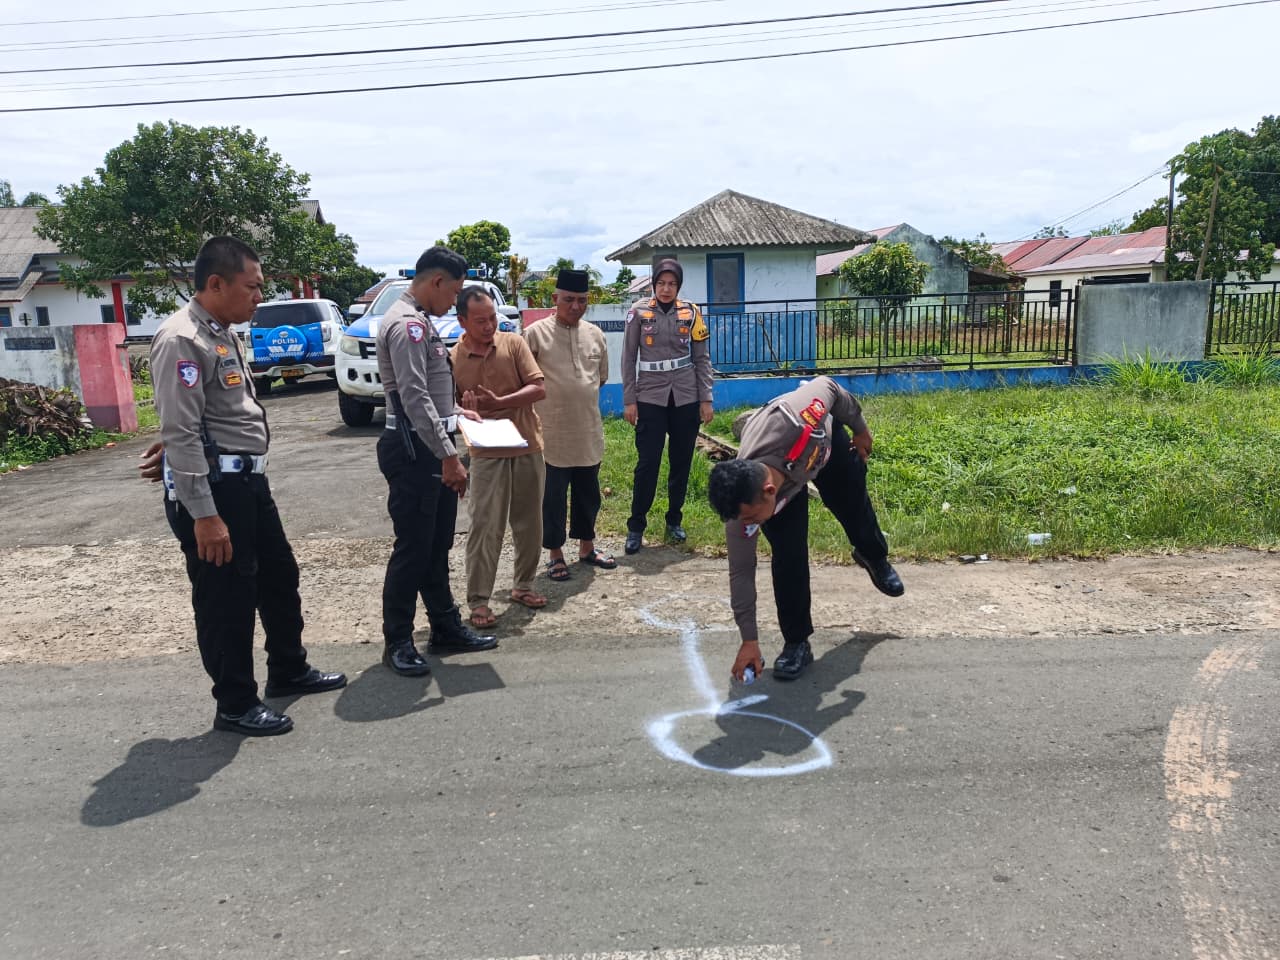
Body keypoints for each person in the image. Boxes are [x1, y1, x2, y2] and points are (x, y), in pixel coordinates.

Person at [150, 236, 346, 737]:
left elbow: (196, 416)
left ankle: (288, 668)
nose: (260, 296)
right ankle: (235, 702)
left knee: (279, 577)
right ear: (216, 284)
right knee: (226, 599)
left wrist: (175, 445)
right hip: (217, 493)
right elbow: (181, 429)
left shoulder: (221, 331)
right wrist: (204, 514)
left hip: (247, 484)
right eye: (252, 287)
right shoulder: (183, 339)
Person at [706, 375, 905, 683]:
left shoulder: (798, 418)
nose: (748, 525)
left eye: (750, 518)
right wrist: (749, 640)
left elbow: (830, 387)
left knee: (852, 504)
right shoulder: (743, 508)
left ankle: (874, 556)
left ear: (770, 492)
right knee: (788, 557)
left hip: (821, 447)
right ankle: (797, 642)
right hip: (785, 480)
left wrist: (861, 428)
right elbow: (741, 574)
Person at [376, 246, 496, 677]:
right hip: (416, 452)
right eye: (454, 292)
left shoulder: (419, 320)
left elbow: (432, 394)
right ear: (436, 282)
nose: (454, 302)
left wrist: (459, 414)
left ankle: (444, 627)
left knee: (435, 545)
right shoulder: (407, 324)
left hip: (429, 444)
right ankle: (399, 641)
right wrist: (449, 457)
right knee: (413, 548)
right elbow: (412, 398)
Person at [450, 286, 547, 628]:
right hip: (485, 452)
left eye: (492, 318)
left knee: (529, 523)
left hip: (526, 446)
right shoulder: (452, 357)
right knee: (484, 526)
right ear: (462, 321)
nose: (490, 325)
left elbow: (539, 387)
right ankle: (479, 602)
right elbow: (447, 405)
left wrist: (500, 403)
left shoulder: (514, 344)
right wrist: (464, 411)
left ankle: (523, 586)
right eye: (480, 321)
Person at [523, 267, 616, 582]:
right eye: (568, 299)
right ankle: (555, 555)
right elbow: (526, 380)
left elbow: (600, 379)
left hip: (587, 431)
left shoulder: (596, 335)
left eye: (581, 300)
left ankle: (587, 548)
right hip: (550, 433)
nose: (575, 306)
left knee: (589, 495)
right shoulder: (535, 334)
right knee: (552, 498)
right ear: (555, 298)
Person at [621, 258, 713, 554]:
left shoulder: (692, 312)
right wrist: (629, 399)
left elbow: (702, 358)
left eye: (672, 284)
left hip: (685, 396)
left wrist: (706, 398)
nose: (666, 288)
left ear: (679, 286)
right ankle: (636, 526)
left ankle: (674, 519)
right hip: (650, 396)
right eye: (661, 283)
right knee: (647, 463)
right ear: (653, 283)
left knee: (681, 462)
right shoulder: (638, 313)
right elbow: (628, 358)